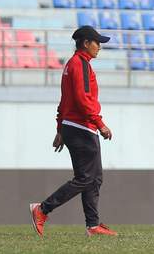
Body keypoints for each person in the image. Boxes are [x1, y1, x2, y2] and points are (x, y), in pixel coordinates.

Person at [30, 26, 117, 238]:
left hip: (74, 126)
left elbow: (65, 101)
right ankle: (42, 209)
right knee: (86, 178)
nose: (99, 47)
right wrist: (100, 123)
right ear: (86, 43)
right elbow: (82, 99)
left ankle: (93, 225)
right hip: (82, 127)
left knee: (94, 178)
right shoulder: (81, 65)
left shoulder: (72, 65)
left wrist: (60, 128)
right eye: (97, 43)